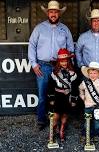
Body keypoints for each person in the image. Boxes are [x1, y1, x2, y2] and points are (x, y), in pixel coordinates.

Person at [28, 0, 74, 131]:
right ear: (48, 13)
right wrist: (34, 64)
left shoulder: (65, 29)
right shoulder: (39, 28)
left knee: (61, 95)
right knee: (43, 95)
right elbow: (31, 45)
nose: (53, 14)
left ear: (59, 14)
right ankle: (41, 121)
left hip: (60, 67)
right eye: (51, 12)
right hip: (43, 66)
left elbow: (70, 47)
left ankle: (59, 121)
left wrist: (69, 65)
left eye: (55, 12)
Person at [79, 62, 99, 142]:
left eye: (94, 73)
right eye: (91, 73)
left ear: (98, 74)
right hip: (87, 106)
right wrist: (82, 97)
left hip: (97, 106)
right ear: (88, 74)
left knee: (97, 122)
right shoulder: (85, 83)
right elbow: (80, 89)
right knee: (87, 122)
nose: (92, 75)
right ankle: (85, 135)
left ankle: (96, 135)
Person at [51, 48, 77, 142]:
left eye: (65, 61)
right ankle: (54, 130)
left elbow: (74, 88)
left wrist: (73, 100)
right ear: (59, 62)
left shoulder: (72, 73)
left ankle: (62, 131)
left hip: (67, 97)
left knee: (65, 115)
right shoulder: (55, 73)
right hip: (58, 96)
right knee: (56, 115)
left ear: (68, 61)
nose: (64, 63)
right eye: (62, 62)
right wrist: (51, 98)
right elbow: (51, 86)